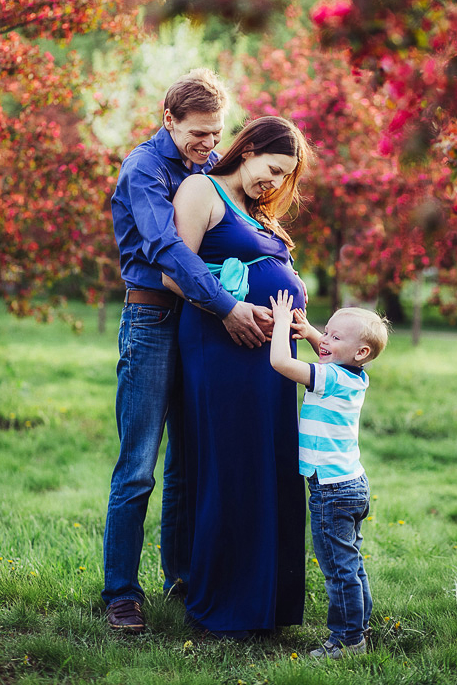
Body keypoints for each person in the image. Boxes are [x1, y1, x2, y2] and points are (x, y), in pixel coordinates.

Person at [102, 70, 272, 633]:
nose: (210, 143)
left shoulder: (208, 166)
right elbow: (167, 248)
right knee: (139, 465)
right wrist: (226, 305)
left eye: (217, 133)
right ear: (169, 119)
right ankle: (121, 594)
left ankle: (180, 576)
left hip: (196, 323)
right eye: (198, 133)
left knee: (186, 461)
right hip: (152, 319)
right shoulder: (144, 169)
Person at [162, 115, 311, 638]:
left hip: (272, 360)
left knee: (270, 468)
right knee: (233, 467)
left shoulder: (257, 211)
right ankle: (225, 605)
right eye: (273, 167)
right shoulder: (202, 190)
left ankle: (266, 604)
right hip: (223, 347)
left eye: (285, 176)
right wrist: (231, 308)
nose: (276, 182)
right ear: (247, 150)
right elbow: (174, 271)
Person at [269, 293, 389, 659]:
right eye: (326, 332)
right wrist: (310, 332)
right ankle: (360, 627)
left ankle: (347, 640)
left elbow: (280, 362)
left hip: (331, 491)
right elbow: (329, 354)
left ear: (361, 352)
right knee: (351, 563)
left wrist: (281, 322)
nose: (325, 339)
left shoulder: (331, 378)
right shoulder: (355, 376)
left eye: (335, 337)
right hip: (352, 484)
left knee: (338, 570)